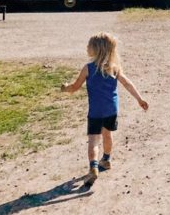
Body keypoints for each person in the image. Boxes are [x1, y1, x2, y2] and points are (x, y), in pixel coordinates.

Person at [61, 32, 149, 186]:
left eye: (89, 46)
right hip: (111, 110)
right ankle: (106, 159)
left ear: (95, 49)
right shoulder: (114, 68)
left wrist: (66, 88)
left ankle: (93, 167)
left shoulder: (88, 68)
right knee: (107, 135)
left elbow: (75, 87)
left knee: (94, 140)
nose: (86, 47)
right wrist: (139, 99)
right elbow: (127, 84)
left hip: (96, 112)